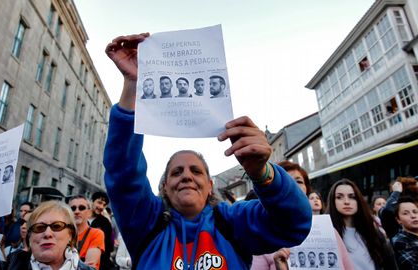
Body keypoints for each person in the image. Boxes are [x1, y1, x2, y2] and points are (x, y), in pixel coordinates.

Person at [104, 32, 311, 269]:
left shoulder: (233, 222)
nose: (186, 176)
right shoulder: (146, 223)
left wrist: (263, 173)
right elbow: (123, 172)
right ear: (164, 187)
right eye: (176, 172)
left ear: (210, 185)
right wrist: (133, 84)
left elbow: (294, 225)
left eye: (196, 171)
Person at [0, 183, 94, 270]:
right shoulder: (13, 265)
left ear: (71, 235)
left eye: (57, 226)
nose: (47, 233)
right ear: (29, 238)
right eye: (39, 227)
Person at [251, 161, 353, 270]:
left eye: (299, 181)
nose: (293, 186)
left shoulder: (328, 230)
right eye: (285, 181)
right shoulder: (263, 237)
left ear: (307, 190)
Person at [327, 179, 397, 270]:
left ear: (358, 200)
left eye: (352, 197)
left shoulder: (373, 233)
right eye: (339, 197)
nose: (346, 201)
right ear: (333, 201)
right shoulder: (328, 235)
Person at [69, 195, 105, 269]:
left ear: (89, 212)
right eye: (73, 208)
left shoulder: (96, 233)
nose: (77, 211)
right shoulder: (63, 233)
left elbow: (89, 267)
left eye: (81, 208)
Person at [390, 196, 418, 269]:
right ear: (398, 220)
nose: (413, 216)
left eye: (415, 212)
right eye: (406, 213)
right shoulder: (400, 242)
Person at [90, 190, 113, 270]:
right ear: (91, 201)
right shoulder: (81, 218)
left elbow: (108, 248)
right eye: (99, 202)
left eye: (104, 205)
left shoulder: (105, 223)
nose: (101, 207)